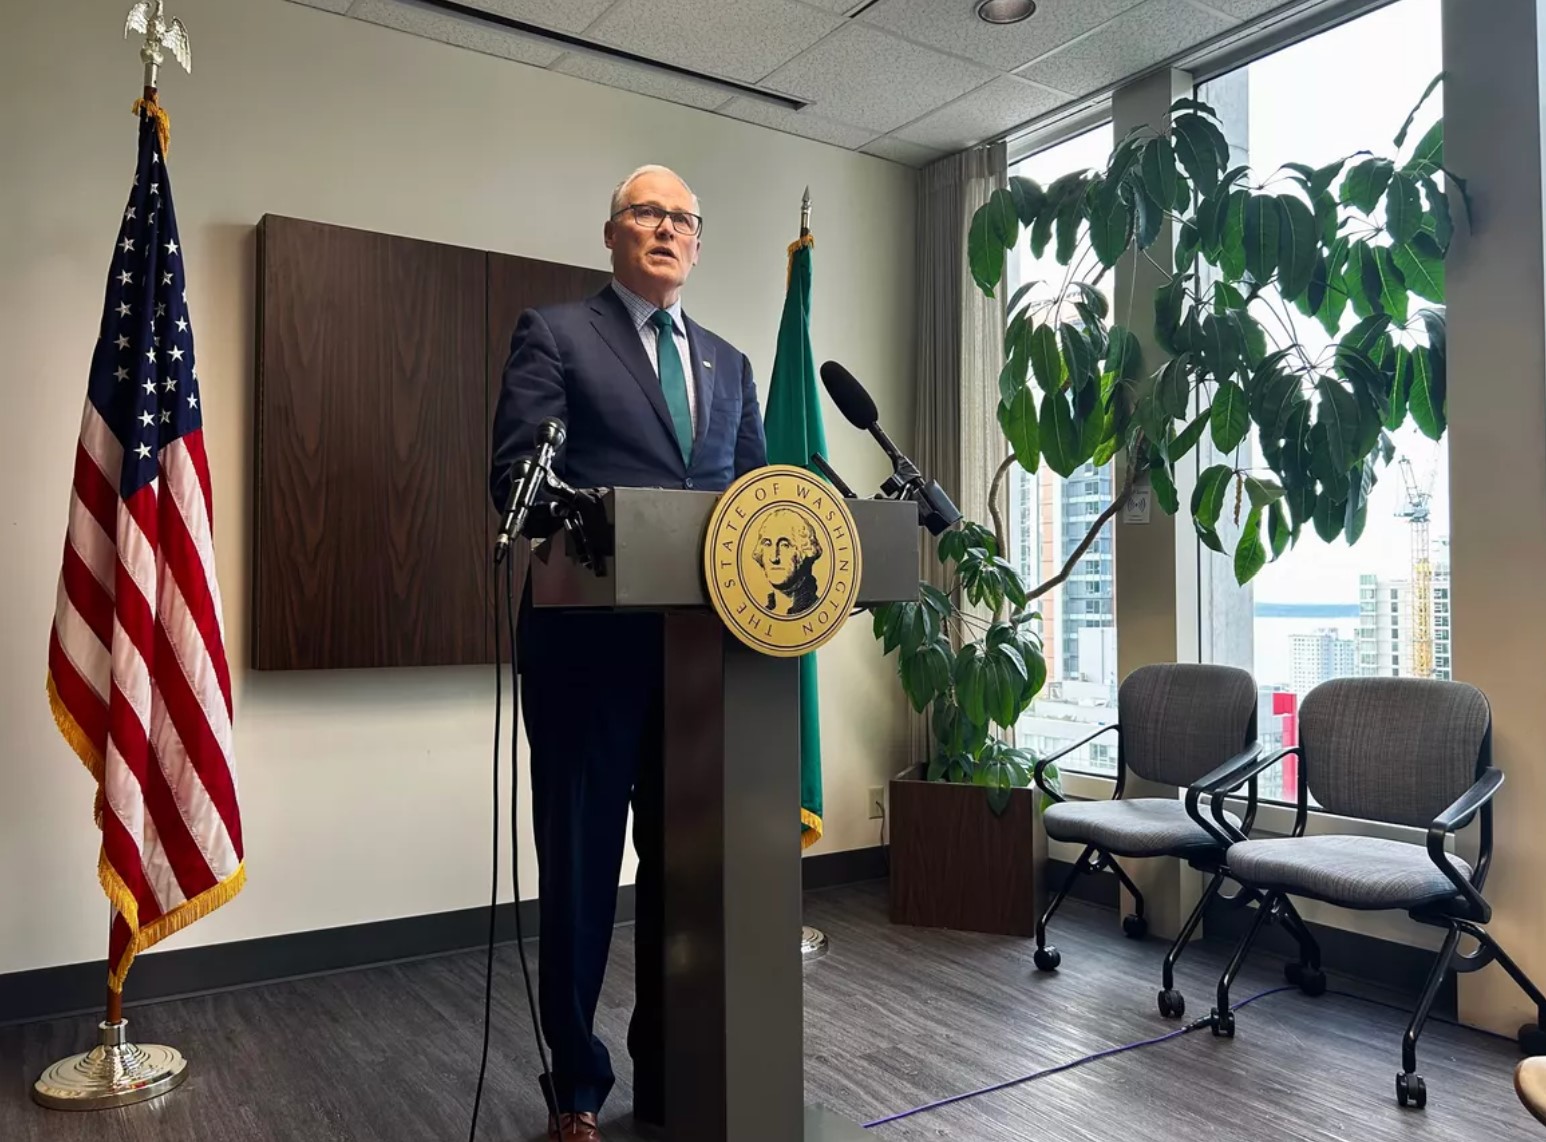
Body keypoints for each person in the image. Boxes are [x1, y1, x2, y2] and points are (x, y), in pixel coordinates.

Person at [489, 165, 767, 1142]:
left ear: (698, 241)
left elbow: (758, 507)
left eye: (683, 217)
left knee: (683, 872)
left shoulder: (733, 366)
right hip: (584, 652)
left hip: (700, 665)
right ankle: (576, 1081)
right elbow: (514, 472)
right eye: (647, 212)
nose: (666, 228)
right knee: (580, 868)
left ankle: (670, 1055)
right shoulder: (555, 333)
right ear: (612, 232)